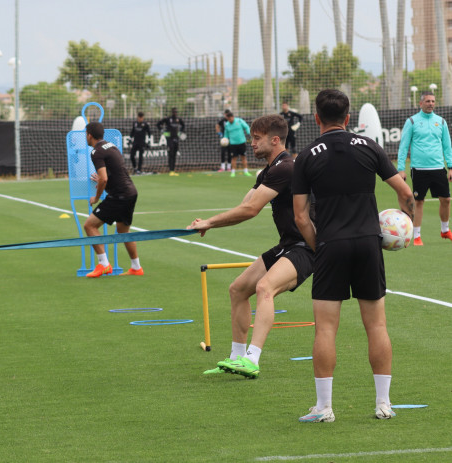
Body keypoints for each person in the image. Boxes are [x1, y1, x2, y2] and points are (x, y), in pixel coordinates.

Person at [292, 89, 414, 423]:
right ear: (349, 118)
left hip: (331, 244)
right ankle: (384, 404)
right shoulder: (370, 146)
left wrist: (320, 248)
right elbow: (405, 193)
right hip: (368, 243)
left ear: (317, 118)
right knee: (376, 325)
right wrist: (409, 230)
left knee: (325, 329)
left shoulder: (306, 156)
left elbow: (301, 216)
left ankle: (324, 408)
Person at [187, 114, 313, 379]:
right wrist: (209, 223)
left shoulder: (285, 168)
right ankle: (236, 358)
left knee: (265, 287)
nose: (251, 144)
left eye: (256, 139)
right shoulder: (270, 169)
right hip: (289, 243)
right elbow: (247, 201)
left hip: (307, 245)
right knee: (238, 289)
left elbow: (250, 209)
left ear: (275, 140)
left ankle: (252, 360)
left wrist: (210, 221)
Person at [82, 122, 143, 278]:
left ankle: (104, 265)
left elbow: (103, 179)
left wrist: (96, 198)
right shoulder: (111, 146)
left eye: (85, 134)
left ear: (89, 135)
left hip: (119, 195)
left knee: (89, 226)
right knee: (123, 231)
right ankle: (136, 267)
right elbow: (112, 173)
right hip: (131, 192)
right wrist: (103, 179)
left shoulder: (96, 152)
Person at [396, 91, 452, 246]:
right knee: (419, 202)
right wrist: (401, 169)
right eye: (427, 101)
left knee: (446, 199)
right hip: (419, 170)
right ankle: (417, 236)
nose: (431, 104)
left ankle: (445, 230)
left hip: (438, 168)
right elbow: (404, 146)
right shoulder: (412, 122)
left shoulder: (441, 122)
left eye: (433, 101)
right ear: (420, 103)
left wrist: (451, 167)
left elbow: (447, 146)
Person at [157, 108, 185, 176]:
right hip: (170, 139)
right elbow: (158, 124)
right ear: (172, 112)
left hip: (176, 138)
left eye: (176, 112)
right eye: (174, 112)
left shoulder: (178, 119)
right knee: (171, 153)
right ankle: (171, 170)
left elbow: (183, 125)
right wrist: (162, 131)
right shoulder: (168, 119)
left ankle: (173, 170)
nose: (175, 113)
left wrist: (180, 132)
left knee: (175, 154)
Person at [223, 111, 251, 177]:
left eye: (230, 119)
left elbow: (246, 127)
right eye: (228, 119)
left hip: (241, 142)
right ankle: (233, 172)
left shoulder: (239, 121)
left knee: (243, 157)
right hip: (233, 144)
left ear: (233, 117)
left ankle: (246, 171)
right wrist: (224, 140)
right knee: (233, 158)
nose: (229, 120)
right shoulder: (227, 125)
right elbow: (226, 135)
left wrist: (249, 133)